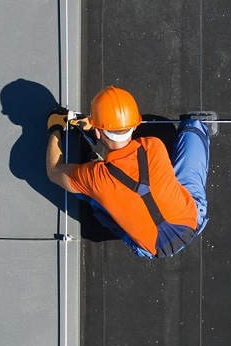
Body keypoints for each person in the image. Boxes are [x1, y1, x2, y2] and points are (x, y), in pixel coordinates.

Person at [45, 86, 210, 258]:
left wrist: (55, 129)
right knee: (192, 140)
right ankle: (197, 126)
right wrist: (97, 128)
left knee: (90, 194)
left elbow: (54, 171)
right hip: (192, 221)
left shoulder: (93, 177)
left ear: (98, 132)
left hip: (154, 250)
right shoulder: (154, 145)